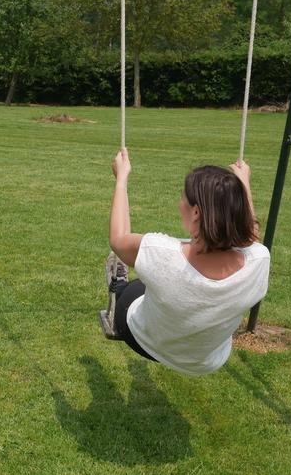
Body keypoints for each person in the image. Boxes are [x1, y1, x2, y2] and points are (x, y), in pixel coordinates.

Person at [99, 149, 269, 375]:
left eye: (182, 196)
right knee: (155, 281)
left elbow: (118, 240)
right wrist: (243, 183)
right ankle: (140, 286)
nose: (180, 201)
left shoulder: (161, 253)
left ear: (196, 212)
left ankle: (118, 287)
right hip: (205, 361)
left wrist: (121, 179)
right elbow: (250, 235)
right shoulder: (258, 261)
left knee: (136, 287)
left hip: (146, 342)